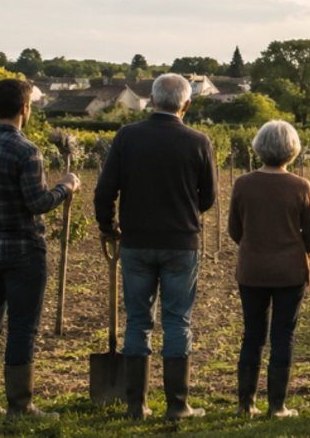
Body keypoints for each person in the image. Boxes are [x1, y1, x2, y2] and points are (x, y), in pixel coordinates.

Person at [95, 73, 218, 421]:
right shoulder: (198, 141)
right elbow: (207, 198)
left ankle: (137, 406)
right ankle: (178, 406)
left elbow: (104, 191)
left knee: (137, 321)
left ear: (150, 98)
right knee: (178, 321)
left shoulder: (126, 136)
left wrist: (109, 226)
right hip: (181, 243)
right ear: (187, 104)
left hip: (135, 242)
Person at [0, 78, 79, 420]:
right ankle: (20, 406)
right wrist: (65, 186)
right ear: (25, 109)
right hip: (22, 250)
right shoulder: (27, 151)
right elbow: (38, 202)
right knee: (22, 327)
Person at [227, 120, 310, 418]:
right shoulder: (301, 186)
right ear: (292, 150)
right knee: (283, 334)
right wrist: (296, 252)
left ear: (259, 147)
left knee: (252, 333)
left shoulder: (243, 183)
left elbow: (234, 229)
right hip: (290, 271)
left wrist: (254, 246)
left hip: (252, 269)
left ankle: (246, 404)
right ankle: (277, 405)